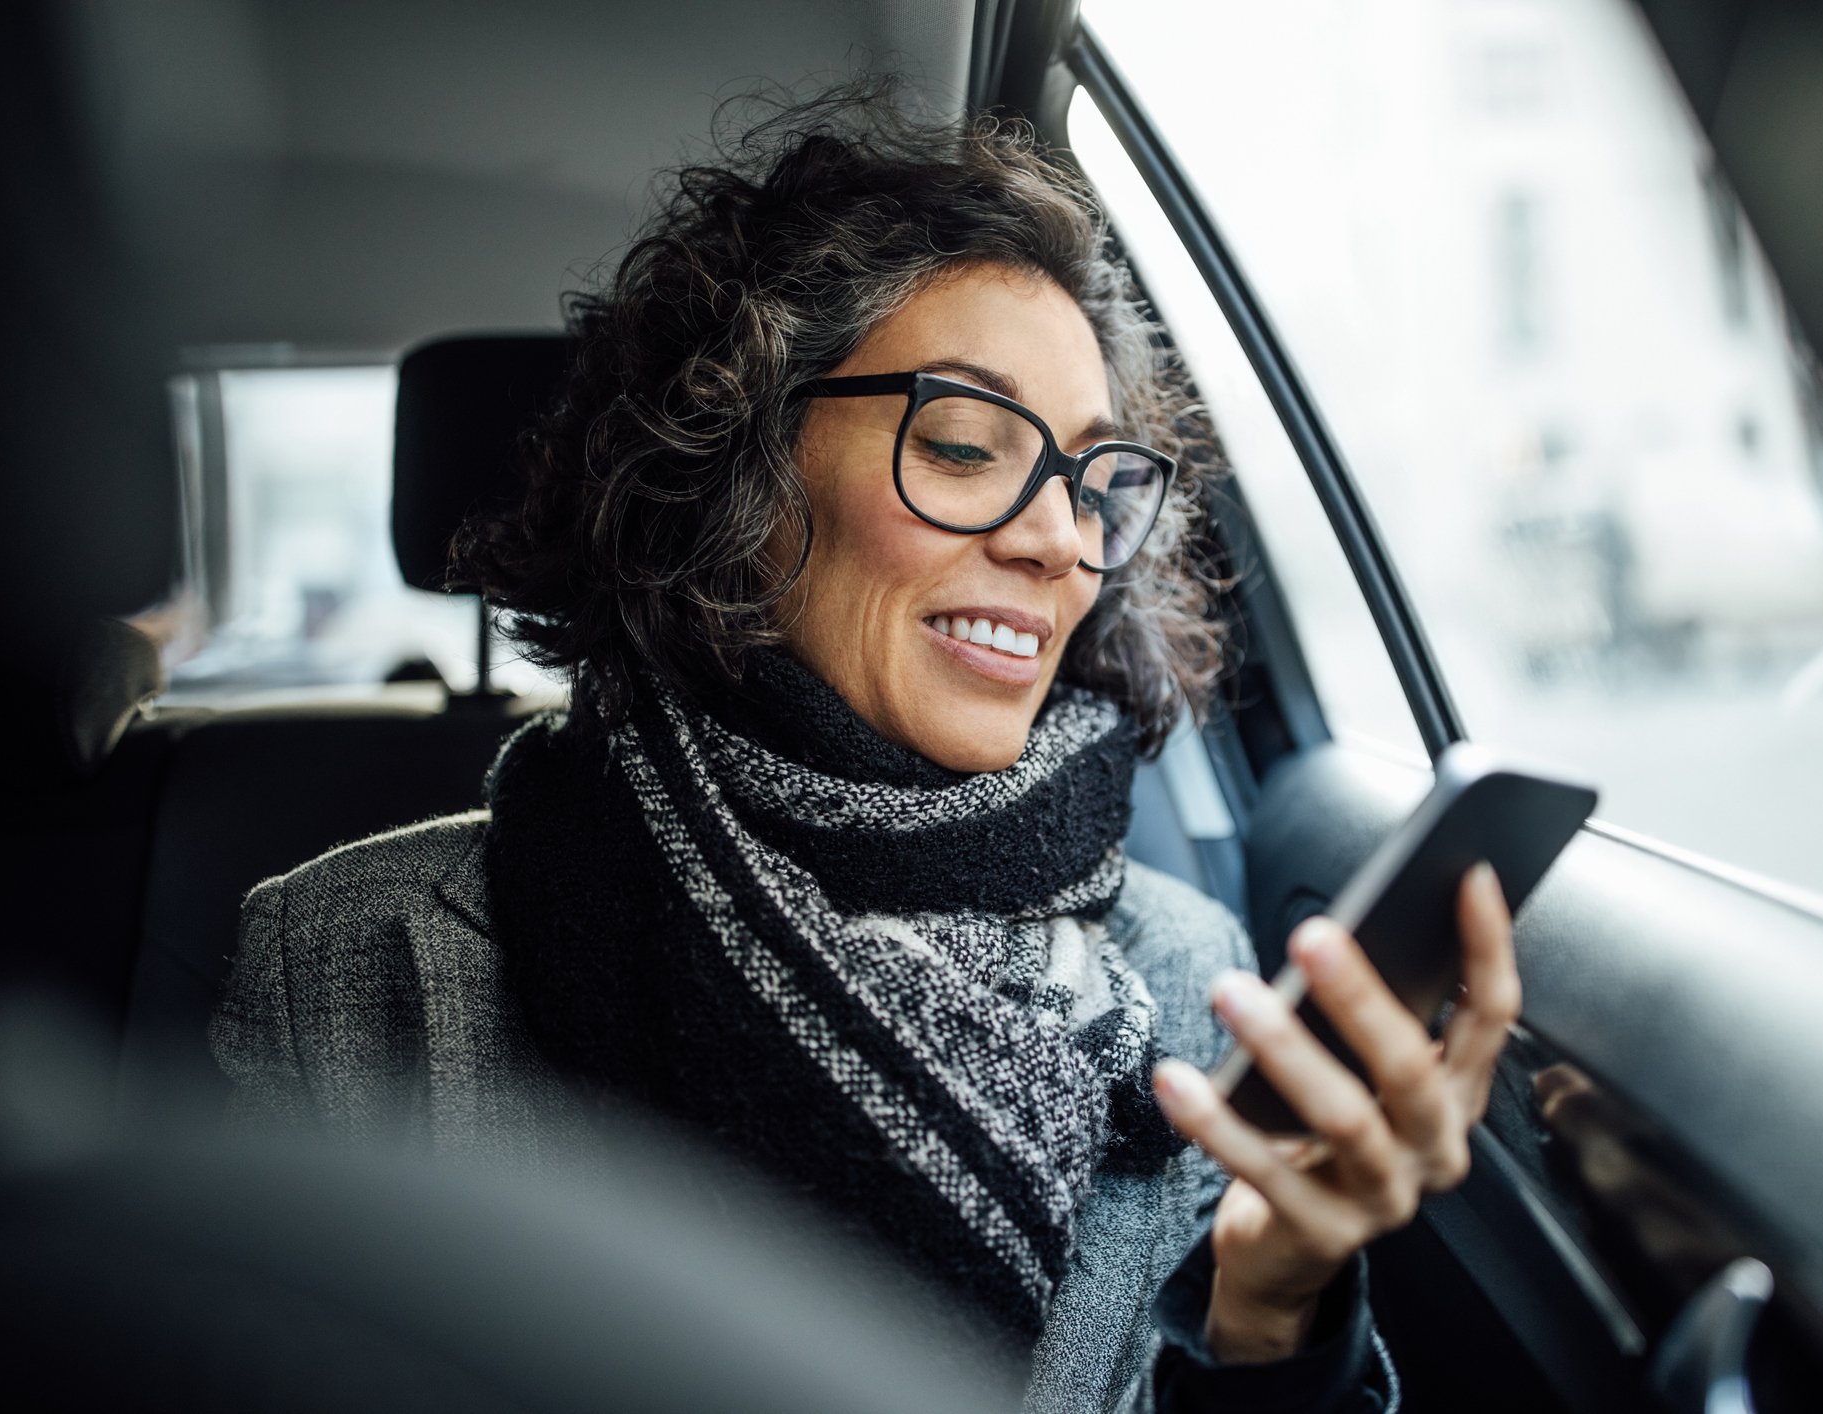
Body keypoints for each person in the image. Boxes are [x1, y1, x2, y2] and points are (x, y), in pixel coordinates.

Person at [210, 90, 1522, 1413]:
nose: (1059, 541)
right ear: (737, 470)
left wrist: (1273, 1303)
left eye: (1089, 481)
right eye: (966, 445)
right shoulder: (344, 957)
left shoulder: (1189, 978)